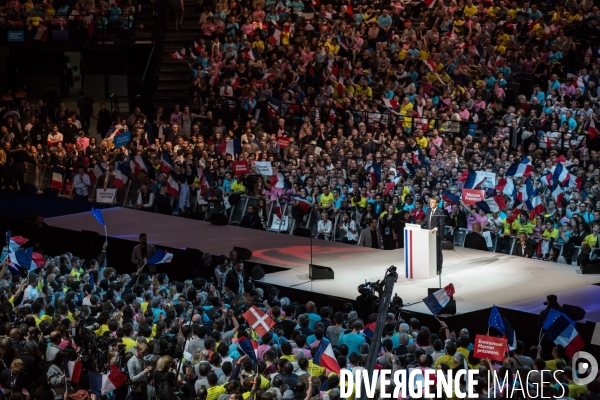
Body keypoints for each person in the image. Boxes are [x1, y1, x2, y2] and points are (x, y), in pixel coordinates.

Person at [421, 197, 445, 274]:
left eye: (432, 202)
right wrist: (418, 226)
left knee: (437, 252)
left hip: (437, 235)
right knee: (430, 252)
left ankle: (439, 268)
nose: (430, 204)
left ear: (437, 203)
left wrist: (435, 229)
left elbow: (441, 224)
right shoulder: (428, 211)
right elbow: (425, 221)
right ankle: (431, 266)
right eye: (430, 202)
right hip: (429, 235)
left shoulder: (440, 212)